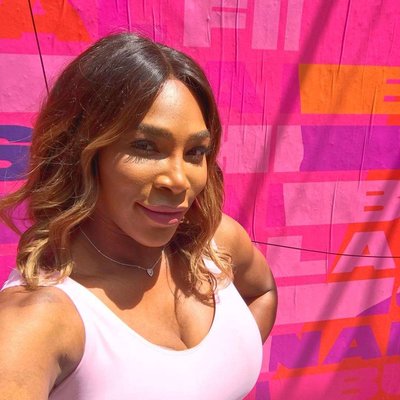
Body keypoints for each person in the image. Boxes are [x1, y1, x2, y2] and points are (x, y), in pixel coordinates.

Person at [0, 32, 277, 399]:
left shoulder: (215, 242)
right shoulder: (37, 320)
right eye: (145, 147)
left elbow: (262, 292)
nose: (178, 180)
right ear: (81, 152)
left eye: (195, 152)